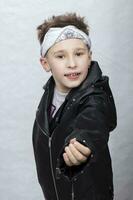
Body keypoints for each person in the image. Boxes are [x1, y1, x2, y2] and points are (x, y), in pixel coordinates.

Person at [32, 13, 117, 200]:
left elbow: (93, 119)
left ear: (89, 57)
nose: (72, 64)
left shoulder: (95, 96)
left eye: (79, 54)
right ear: (46, 64)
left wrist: (83, 141)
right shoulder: (50, 92)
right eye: (61, 56)